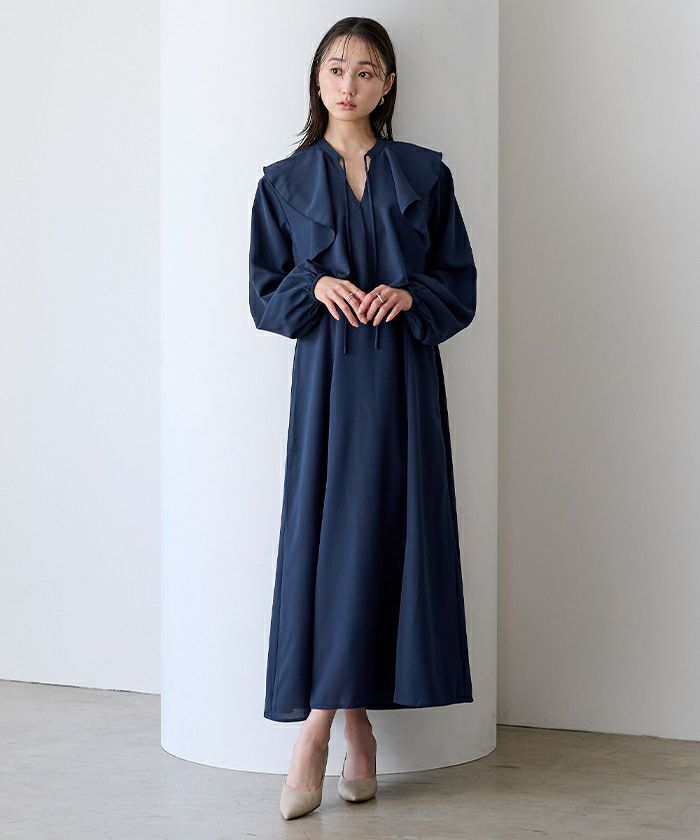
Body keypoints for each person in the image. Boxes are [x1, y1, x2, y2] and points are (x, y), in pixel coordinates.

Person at [248, 17, 478, 820]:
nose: (350, 84)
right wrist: (313, 286)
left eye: (368, 70)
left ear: (388, 84)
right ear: (317, 79)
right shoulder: (283, 182)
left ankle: (322, 733)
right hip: (327, 387)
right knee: (332, 547)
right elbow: (263, 293)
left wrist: (411, 295)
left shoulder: (424, 174)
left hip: (403, 381)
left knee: (383, 540)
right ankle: (343, 729)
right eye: (337, 68)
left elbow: (458, 281)